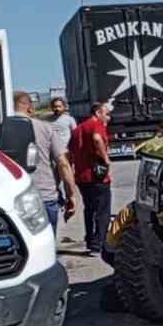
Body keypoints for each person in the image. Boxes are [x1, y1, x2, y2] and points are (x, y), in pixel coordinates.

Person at [14, 91, 77, 236]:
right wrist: (71, 195)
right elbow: (63, 165)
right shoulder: (45, 127)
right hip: (44, 193)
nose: (56, 109)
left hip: (15, 197)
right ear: (30, 108)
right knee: (46, 243)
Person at [69, 100, 114, 255]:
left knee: (89, 209)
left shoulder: (77, 130)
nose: (108, 117)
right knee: (103, 210)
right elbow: (96, 138)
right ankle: (98, 244)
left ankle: (90, 240)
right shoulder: (96, 125)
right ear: (98, 113)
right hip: (97, 175)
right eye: (106, 114)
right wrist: (105, 158)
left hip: (82, 177)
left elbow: (69, 151)